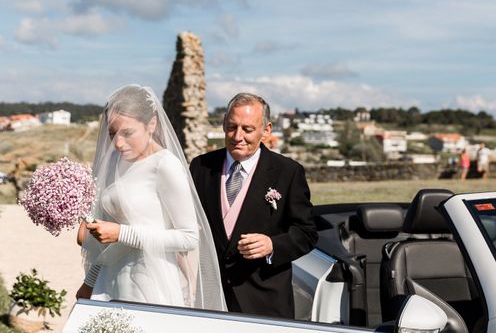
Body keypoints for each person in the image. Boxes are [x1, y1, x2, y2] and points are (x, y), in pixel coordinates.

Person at [75, 85, 226, 311]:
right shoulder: (116, 162)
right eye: (112, 133)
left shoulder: (165, 165)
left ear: (151, 124)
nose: (117, 143)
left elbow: (188, 238)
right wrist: (90, 282)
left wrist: (121, 233)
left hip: (149, 285)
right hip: (109, 282)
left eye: (127, 133)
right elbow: (106, 241)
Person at [189, 93, 318, 319]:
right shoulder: (200, 167)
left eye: (247, 129)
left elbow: (307, 233)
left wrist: (272, 245)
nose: (238, 136)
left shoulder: (287, 172)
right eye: (231, 127)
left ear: (266, 130)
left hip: (264, 301)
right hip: (208, 299)